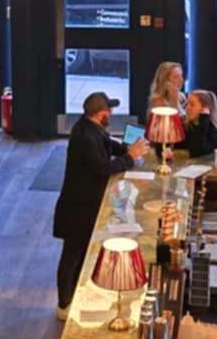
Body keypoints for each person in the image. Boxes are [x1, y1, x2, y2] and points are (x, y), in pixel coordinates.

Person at [53, 91, 148, 317]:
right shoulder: (84, 138)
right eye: (109, 110)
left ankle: (74, 295)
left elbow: (109, 145)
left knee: (81, 253)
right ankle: (63, 304)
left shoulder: (91, 128)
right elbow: (101, 168)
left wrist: (127, 149)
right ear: (100, 114)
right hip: (77, 208)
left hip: (85, 204)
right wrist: (129, 158)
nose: (112, 114)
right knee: (72, 255)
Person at [183, 89, 217, 157]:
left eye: (192, 105)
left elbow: (198, 151)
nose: (187, 108)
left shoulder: (216, 134)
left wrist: (204, 119)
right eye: (187, 104)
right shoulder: (185, 128)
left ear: (205, 109)